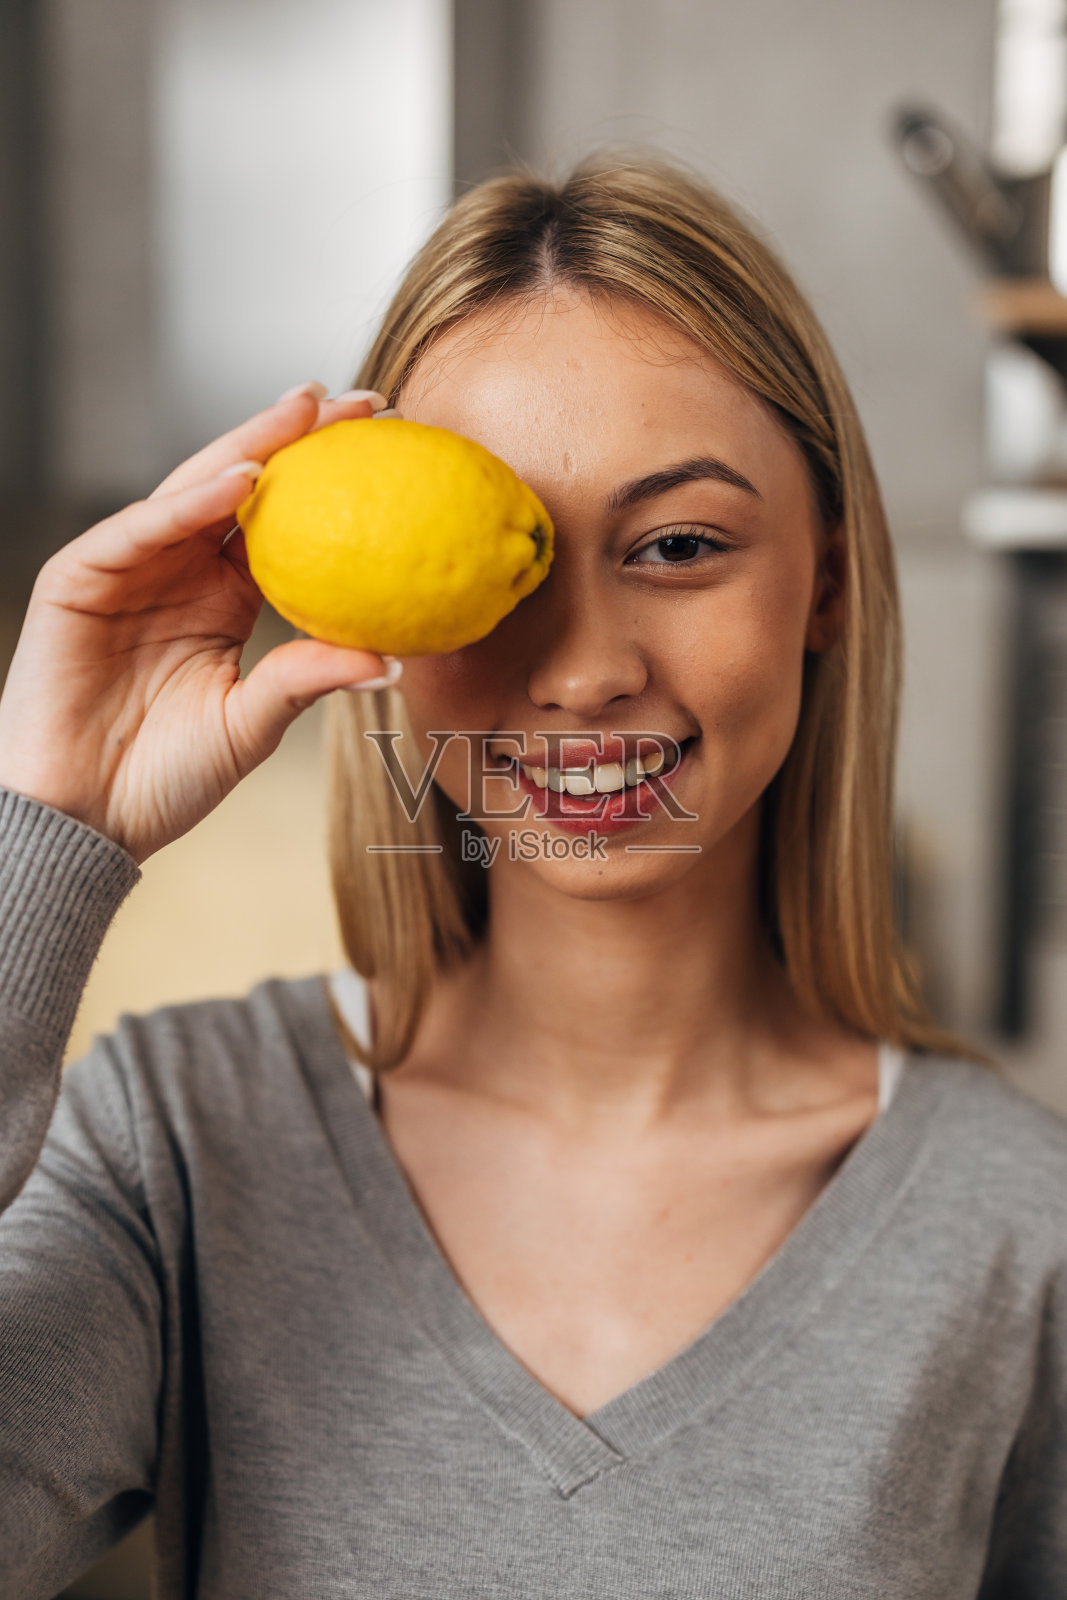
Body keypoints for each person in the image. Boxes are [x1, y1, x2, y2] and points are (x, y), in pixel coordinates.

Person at [0, 151, 1064, 1600]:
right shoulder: (179, 1146)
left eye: (678, 545)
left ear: (822, 580)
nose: (580, 670)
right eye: (510, 561)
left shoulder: (1022, 1224)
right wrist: (47, 823)